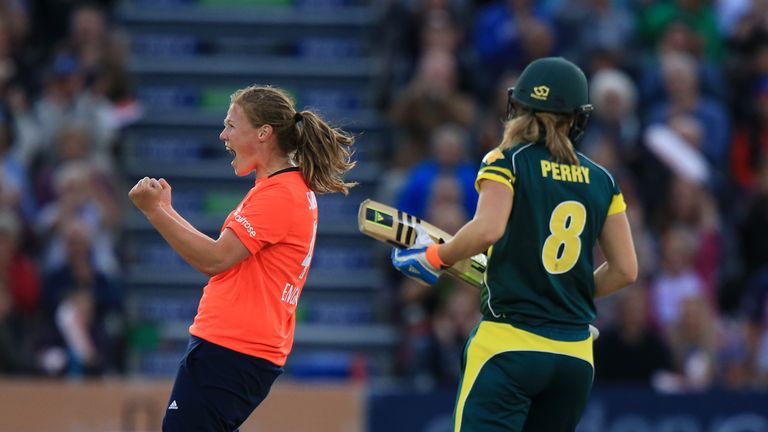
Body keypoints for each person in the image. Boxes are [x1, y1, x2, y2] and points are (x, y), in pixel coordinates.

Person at [392, 57, 637, 431]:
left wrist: (434, 257)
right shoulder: (603, 178)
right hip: (574, 356)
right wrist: (565, 300)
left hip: (508, 347)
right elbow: (625, 270)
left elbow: (487, 229)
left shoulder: (506, 160)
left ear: (517, 107)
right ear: (577, 117)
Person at [128, 85, 356, 431]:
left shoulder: (279, 195)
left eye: (231, 125)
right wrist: (165, 209)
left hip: (232, 349)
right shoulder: (282, 190)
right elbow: (222, 252)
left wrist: (154, 214)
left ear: (264, 133)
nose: (223, 134)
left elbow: (215, 259)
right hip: (237, 350)